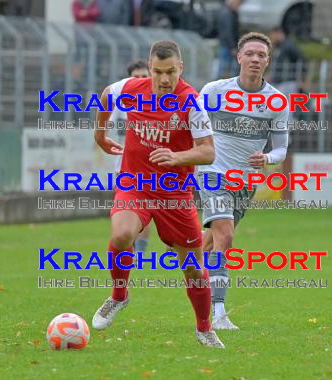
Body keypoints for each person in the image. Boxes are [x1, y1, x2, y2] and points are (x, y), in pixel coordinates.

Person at [92, 40, 225, 348]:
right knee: (122, 234)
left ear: (181, 68)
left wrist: (176, 158)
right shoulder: (130, 88)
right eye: (158, 72)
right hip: (135, 184)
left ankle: (204, 327)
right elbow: (105, 96)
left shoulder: (192, 102)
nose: (165, 79)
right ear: (149, 68)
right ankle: (118, 296)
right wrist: (100, 135)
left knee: (192, 266)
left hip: (175, 194)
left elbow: (208, 152)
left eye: (171, 72)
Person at [198, 32, 289, 330]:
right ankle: (219, 314)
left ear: (267, 61)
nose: (254, 59)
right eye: (249, 53)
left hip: (246, 182)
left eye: (260, 55)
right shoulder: (214, 91)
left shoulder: (276, 101)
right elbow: (191, 124)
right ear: (238, 57)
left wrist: (267, 159)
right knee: (226, 237)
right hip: (212, 173)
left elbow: (280, 148)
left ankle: (189, 265)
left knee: (210, 243)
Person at [108, 60, 152, 257]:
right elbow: (113, 128)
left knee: (146, 209)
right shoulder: (122, 102)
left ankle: (140, 252)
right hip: (124, 163)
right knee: (126, 209)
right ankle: (129, 249)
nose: (141, 80)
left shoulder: (159, 100)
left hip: (151, 165)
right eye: (137, 77)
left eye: (145, 76)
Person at [267, 26, 306, 121]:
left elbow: (302, 59)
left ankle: (287, 130)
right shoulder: (279, 47)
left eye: (273, 35)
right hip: (280, 81)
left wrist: (301, 78)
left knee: (286, 108)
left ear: (278, 34)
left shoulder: (289, 46)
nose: (271, 38)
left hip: (288, 81)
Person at [217, 0, 241, 79]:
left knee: (224, 67)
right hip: (227, 46)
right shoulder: (228, 14)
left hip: (226, 45)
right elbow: (228, 32)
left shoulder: (230, 13)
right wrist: (232, 47)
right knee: (224, 67)